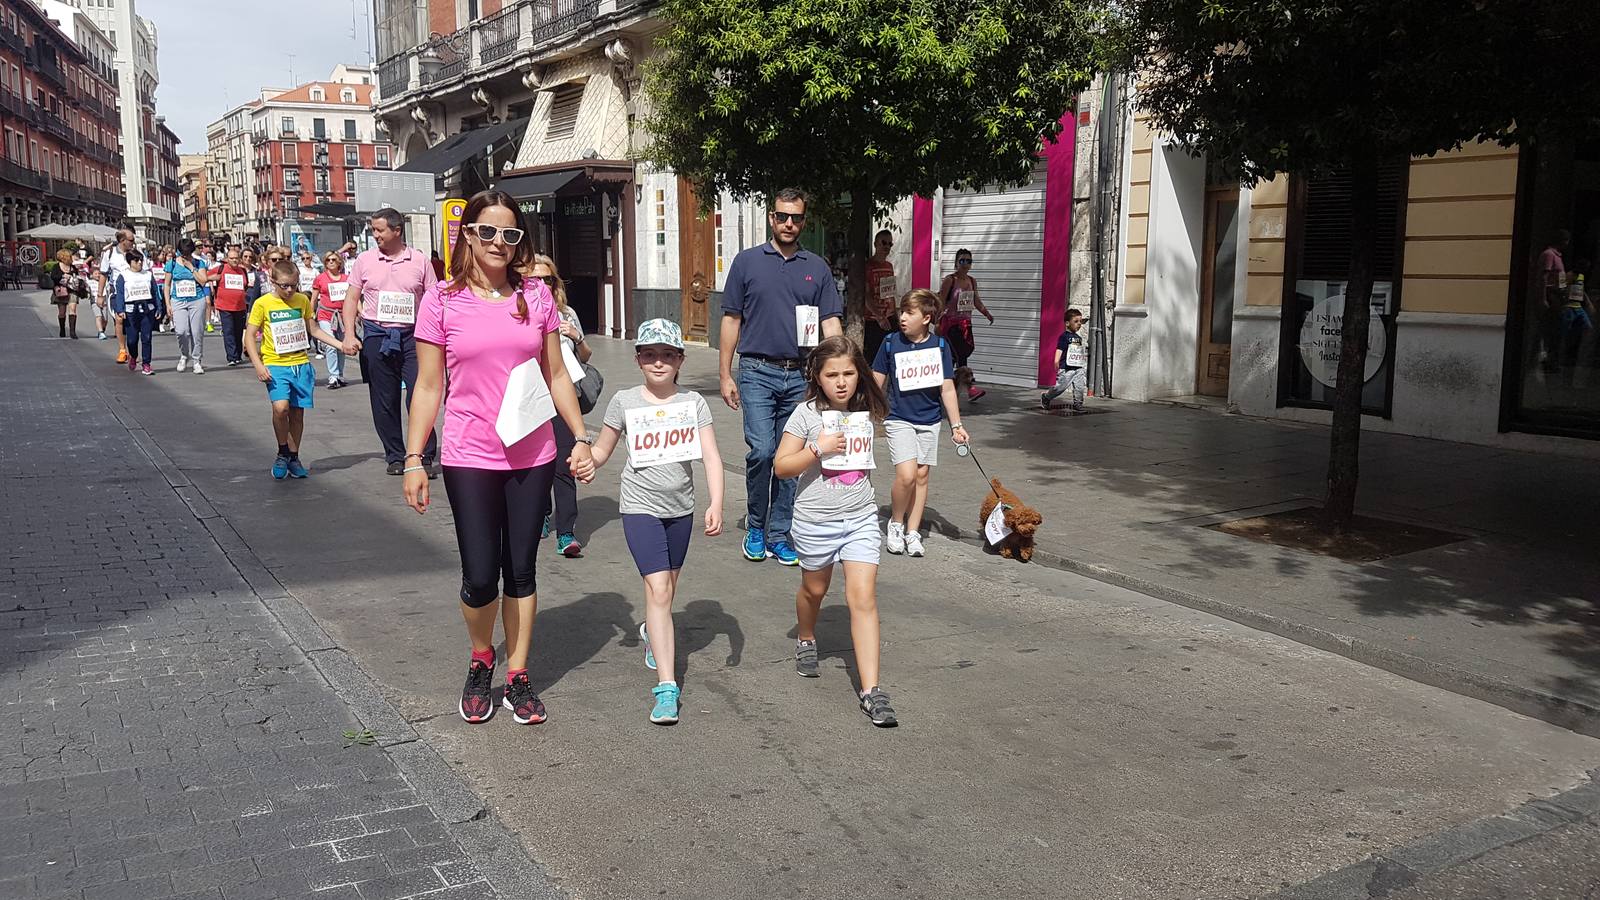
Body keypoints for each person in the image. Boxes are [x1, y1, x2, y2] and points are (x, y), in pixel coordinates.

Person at [401, 190, 595, 726]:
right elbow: (428, 386)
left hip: (533, 452)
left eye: (510, 235)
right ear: (467, 235)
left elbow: (558, 374)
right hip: (469, 453)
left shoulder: (536, 296)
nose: (498, 243)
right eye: (487, 232)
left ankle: (518, 675)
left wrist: (580, 436)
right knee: (481, 574)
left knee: (523, 570)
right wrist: (415, 458)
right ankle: (481, 656)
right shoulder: (442, 300)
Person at [588, 318, 724, 724]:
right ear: (638, 360)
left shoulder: (693, 403)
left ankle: (652, 630)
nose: (659, 362)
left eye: (667, 355)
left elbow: (712, 456)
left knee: (664, 594)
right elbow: (602, 450)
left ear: (680, 360)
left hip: (680, 508)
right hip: (639, 507)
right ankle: (667, 688)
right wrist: (585, 462)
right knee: (660, 589)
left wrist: (716, 502)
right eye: (650, 355)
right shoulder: (624, 401)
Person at [772, 335, 897, 727]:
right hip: (815, 522)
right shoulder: (806, 415)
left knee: (863, 598)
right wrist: (817, 449)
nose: (841, 382)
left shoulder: (864, 409)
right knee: (815, 589)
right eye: (832, 375)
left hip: (860, 516)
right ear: (818, 376)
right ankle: (806, 637)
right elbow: (781, 467)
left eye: (848, 373)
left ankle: (872, 690)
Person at [718, 187, 844, 566]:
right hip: (757, 371)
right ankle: (756, 526)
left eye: (797, 218)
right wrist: (725, 373)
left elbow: (830, 322)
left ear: (804, 221)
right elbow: (731, 319)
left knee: (795, 456)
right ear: (772, 218)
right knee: (762, 452)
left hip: (801, 377)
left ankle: (779, 531)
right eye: (782, 216)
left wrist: (842, 371)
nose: (789, 223)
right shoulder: (746, 263)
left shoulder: (816, 267)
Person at [342, 208, 441, 477]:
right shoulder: (364, 260)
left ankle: (423, 454)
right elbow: (351, 299)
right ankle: (395, 455)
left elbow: (433, 301)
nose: (375, 235)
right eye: (373, 230)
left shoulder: (420, 260)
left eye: (379, 230)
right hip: (377, 334)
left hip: (414, 336)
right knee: (384, 399)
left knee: (419, 394)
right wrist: (349, 335)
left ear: (397, 230)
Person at [870, 289, 968, 558]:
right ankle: (896, 523)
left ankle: (913, 532)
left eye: (909, 313)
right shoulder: (890, 342)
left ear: (926, 318)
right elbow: (876, 379)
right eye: (902, 311)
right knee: (907, 475)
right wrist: (863, 412)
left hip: (930, 420)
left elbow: (947, 388)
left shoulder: (940, 346)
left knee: (922, 476)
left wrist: (956, 426)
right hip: (898, 418)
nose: (902, 317)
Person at [245, 260, 342, 480]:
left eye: (294, 285)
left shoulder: (301, 300)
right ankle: (282, 452)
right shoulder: (263, 303)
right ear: (273, 282)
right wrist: (258, 365)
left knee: (297, 414)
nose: (289, 290)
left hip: (300, 364)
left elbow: (314, 329)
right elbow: (250, 336)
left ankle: (293, 456)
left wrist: (340, 345)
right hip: (275, 363)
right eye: (284, 286)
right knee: (281, 409)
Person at [530, 253, 590, 557]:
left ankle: (566, 532)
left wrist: (576, 336)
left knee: (565, 466)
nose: (541, 283)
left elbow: (587, 356)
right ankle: (541, 513)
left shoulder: (567, 312)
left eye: (547, 279)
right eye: (534, 278)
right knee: (538, 465)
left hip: (563, 400)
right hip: (530, 399)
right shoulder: (518, 310)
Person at [937, 248, 995, 401]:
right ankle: (970, 389)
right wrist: (937, 321)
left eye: (968, 261)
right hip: (951, 325)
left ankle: (948, 388)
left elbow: (976, 301)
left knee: (954, 358)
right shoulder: (950, 280)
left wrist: (987, 313)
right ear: (956, 262)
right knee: (961, 356)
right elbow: (941, 301)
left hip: (966, 324)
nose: (965, 264)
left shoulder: (971, 281)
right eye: (962, 261)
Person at [111, 249, 165, 376]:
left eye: (141, 260)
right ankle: (133, 356)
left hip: (147, 309)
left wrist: (159, 308)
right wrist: (120, 309)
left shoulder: (148, 274)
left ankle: (146, 363)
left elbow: (155, 292)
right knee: (132, 340)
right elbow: (120, 294)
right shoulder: (123, 276)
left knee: (147, 338)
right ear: (130, 262)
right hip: (131, 311)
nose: (140, 262)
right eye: (136, 260)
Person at [165, 238, 211, 374]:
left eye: (188, 253)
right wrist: (168, 304)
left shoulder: (198, 263)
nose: (185, 256)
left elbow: (203, 281)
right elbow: (167, 285)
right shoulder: (172, 263)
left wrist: (191, 268)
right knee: (181, 331)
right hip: (178, 300)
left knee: (197, 332)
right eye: (183, 253)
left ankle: (197, 360)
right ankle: (184, 354)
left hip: (196, 299)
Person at [311, 251, 352, 389]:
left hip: (342, 316)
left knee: (342, 345)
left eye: (334, 259)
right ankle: (333, 375)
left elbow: (353, 298)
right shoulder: (320, 278)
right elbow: (314, 298)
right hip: (325, 315)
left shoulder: (347, 278)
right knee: (330, 344)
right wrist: (310, 313)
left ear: (339, 262)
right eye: (328, 260)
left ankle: (340, 375)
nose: (331, 262)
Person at [210, 246, 253, 366]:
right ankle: (231, 357)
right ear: (227, 259)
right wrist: (211, 279)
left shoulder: (242, 270)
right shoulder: (220, 268)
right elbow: (205, 276)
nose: (234, 260)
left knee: (238, 332)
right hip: (224, 306)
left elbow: (245, 285)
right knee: (229, 331)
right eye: (232, 258)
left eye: (236, 258)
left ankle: (238, 355)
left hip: (240, 306)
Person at [96, 229, 134, 357]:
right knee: (119, 319)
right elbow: (103, 275)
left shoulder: (136, 253)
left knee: (132, 323)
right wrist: (100, 295)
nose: (133, 243)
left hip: (134, 293)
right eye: (131, 240)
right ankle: (122, 350)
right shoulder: (110, 253)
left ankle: (132, 350)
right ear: (122, 241)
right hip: (117, 292)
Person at [1042, 308, 1089, 411]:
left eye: (1080, 321)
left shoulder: (1078, 338)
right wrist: (1056, 360)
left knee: (1079, 387)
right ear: (1067, 323)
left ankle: (1078, 403)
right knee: (1061, 387)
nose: (1079, 324)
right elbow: (1060, 349)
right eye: (1076, 321)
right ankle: (1047, 396)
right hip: (1066, 367)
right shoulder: (1064, 337)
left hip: (1078, 367)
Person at [864, 229, 898, 363]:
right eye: (884, 243)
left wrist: (894, 314)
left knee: (891, 357)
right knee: (874, 359)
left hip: (889, 318)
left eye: (890, 244)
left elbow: (890, 292)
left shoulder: (889, 266)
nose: (887, 247)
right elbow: (866, 296)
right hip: (873, 320)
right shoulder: (868, 266)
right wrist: (879, 316)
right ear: (875, 243)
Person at [49, 249, 86, 339]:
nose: (72, 258)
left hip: (72, 290)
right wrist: (62, 276)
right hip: (61, 291)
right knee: (62, 312)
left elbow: (77, 277)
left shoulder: (72, 267)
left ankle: (72, 331)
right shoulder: (56, 267)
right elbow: (53, 277)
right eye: (70, 256)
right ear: (64, 257)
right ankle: (62, 329)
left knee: (72, 308)